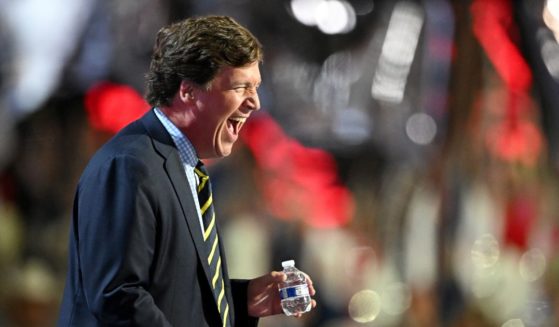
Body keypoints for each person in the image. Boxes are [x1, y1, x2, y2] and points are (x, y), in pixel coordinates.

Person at [57, 15, 316, 326]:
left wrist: (244, 299)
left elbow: (175, 297)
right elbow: (118, 297)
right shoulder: (130, 165)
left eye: (256, 87)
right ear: (189, 91)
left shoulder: (183, 168)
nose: (255, 103)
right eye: (240, 87)